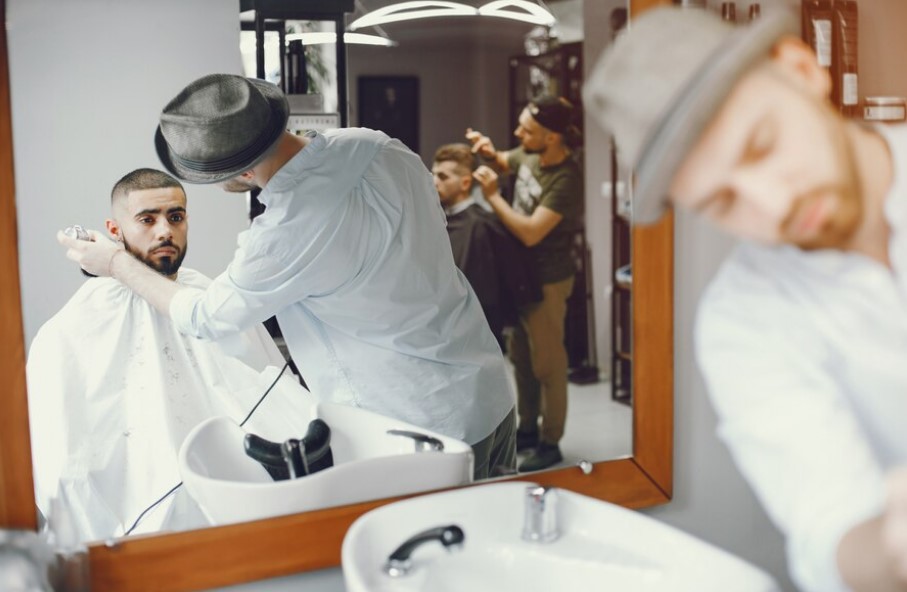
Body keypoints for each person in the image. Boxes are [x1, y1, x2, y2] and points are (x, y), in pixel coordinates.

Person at [585, 6, 907, 592]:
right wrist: (894, 545)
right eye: (723, 203)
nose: (773, 204)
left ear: (801, 68)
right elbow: (832, 534)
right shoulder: (743, 323)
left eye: (761, 145)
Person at [58, 74, 516, 481]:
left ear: (237, 173)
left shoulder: (287, 231)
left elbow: (204, 316)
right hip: (487, 389)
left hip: (419, 426)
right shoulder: (377, 145)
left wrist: (113, 262)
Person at [29, 168, 311, 542]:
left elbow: (271, 398)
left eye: (175, 217)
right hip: (141, 528)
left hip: (240, 504)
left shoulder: (206, 297)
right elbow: (64, 457)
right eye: (147, 219)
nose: (164, 231)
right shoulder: (72, 327)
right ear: (114, 231)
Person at [465, 96, 584, 472]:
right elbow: (504, 160)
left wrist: (493, 197)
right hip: (520, 276)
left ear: (551, 138)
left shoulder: (566, 178)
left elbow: (532, 233)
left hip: (549, 279)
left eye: (527, 131)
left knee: (549, 364)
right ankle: (528, 429)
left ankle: (551, 442)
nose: (518, 134)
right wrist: (487, 153)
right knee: (522, 359)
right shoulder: (530, 154)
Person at [431, 143, 541, 350]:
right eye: (433, 175)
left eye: (443, 177)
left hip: (471, 326)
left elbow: (483, 289)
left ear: (465, 183)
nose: (434, 182)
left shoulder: (479, 225)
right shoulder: (439, 219)